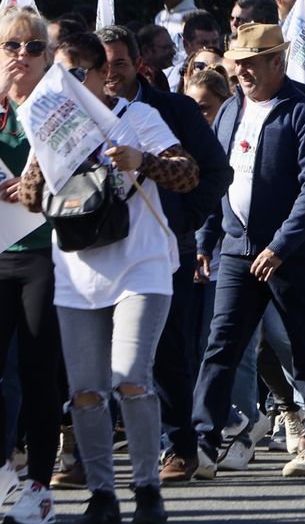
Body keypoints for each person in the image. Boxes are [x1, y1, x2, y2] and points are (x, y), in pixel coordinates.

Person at [18, 33, 200, 524]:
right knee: (85, 391)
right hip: (77, 273)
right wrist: (43, 163)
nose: (69, 85)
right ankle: (102, 494)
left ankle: (147, 489)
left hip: (140, 267)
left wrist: (143, 162)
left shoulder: (138, 119)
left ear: (104, 74)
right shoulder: (55, 126)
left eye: (78, 74)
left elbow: (188, 174)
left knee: (131, 378)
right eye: (61, 76)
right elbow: (34, 198)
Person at [192, 23, 305, 479]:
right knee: (221, 343)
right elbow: (217, 177)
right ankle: (201, 442)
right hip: (238, 250)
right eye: (237, 63)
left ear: (277, 62)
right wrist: (207, 238)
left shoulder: (304, 110)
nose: (240, 72)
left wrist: (281, 245)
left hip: (290, 254)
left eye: (251, 63)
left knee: (304, 346)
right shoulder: (230, 110)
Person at [96, 25, 231, 484]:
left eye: (119, 63)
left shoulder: (170, 111)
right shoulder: (82, 113)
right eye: (103, 64)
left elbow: (214, 170)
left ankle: (179, 447)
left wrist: (181, 219)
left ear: (138, 64)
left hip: (163, 249)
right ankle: (88, 448)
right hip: (97, 249)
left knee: (169, 350)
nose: (111, 73)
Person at [0, 8, 63, 524]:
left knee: (40, 374)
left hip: (44, 256)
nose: (22, 56)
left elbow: (72, 168)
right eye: (11, 46)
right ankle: (3, 468)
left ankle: (40, 484)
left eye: (33, 47)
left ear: (47, 55)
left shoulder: (56, 106)